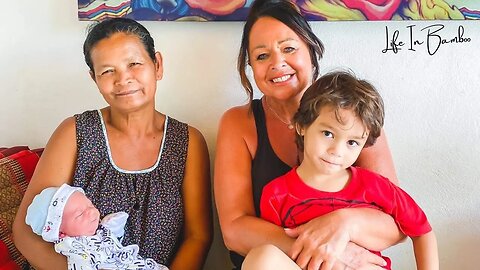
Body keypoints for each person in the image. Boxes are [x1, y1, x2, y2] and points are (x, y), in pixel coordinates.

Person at [214, 0, 405, 269]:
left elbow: (397, 223)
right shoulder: (239, 123)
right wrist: (325, 252)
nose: (277, 63)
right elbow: (234, 230)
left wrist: (343, 225)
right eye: (261, 55)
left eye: (289, 48)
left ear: (311, 50)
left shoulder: (355, 115)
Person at [12, 17, 212, 270]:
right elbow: (25, 232)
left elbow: (197, 237)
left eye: (134, 64)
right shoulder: (75, 133)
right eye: (107, 71)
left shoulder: (186, 142)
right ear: (94, 78)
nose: (123, 79)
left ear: (157, 65)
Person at [243, 71, 438, 270]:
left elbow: (422, 232)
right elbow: (283, 253)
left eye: (352, 142)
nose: (337, 151)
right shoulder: (276, 194)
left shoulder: (374, 185)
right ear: (302, 125)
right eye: (328, 133)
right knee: (262, 257)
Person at [26, 183, 167, 270]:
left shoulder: (96, 230)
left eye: (90, 205)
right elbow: (81, 264)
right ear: (61, 233)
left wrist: (113, 227)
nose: (92, 212)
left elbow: (111, 240)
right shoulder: (72, 246)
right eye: (80, 214)